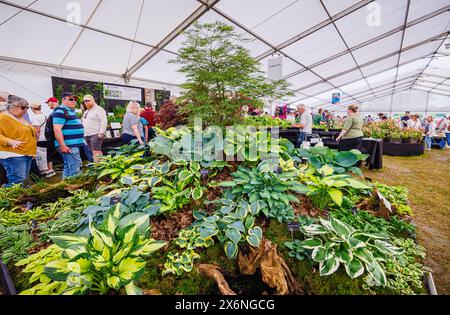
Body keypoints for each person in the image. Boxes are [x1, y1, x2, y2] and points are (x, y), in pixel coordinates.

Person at [0, 96, 37, 187]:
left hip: (25, 153)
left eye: (27, 107)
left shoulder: (20, 117)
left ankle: (20, 200)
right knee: (17, 181)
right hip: (13, 154)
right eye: (23, 107)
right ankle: (7, 199)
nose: (26, 110)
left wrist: (32, 152)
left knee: (23, 180)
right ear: (12, 107)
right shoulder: (3, 117)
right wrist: (9, 141)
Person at [53, 92, 85, 178]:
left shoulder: (69, 111)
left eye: (75, 100)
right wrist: (62, 145)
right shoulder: (60, 111)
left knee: (69, 167)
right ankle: (75, 188)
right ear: (63, 100)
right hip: (69, 146)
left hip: (72, 145)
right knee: (75, 168)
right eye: (71, 99)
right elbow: (57, 129)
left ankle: (66, 187)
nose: (74, 101)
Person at [81, 95, 107, 163]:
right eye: (85, 101)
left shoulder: (99, 109)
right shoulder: (87, 111)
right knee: (96, 151)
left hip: (95, 134)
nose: (86, 102)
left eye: (88, 101)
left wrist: (101, 132)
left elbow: (103, 121)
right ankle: (103, 165)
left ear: (93, 100)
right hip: (86, 134)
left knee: (95, 152)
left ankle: (97, 168)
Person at [30, 101, 53, 176]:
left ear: (32, 109)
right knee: (48, 154)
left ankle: (44, 170)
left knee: (41, 155)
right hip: (47, 138)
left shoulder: (35, 118)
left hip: (40, 139)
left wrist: (35, 140)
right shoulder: (45, 116)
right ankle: (51, 170)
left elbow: (37, 131)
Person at [43, 97, 60, 177]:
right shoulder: (55, 112)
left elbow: (57, 127)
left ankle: (51, 170)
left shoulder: (58, 111)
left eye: (48, 103)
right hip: (52, 138)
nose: (48, 105)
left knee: (51, 153)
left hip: (54, 138)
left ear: (52, 102)